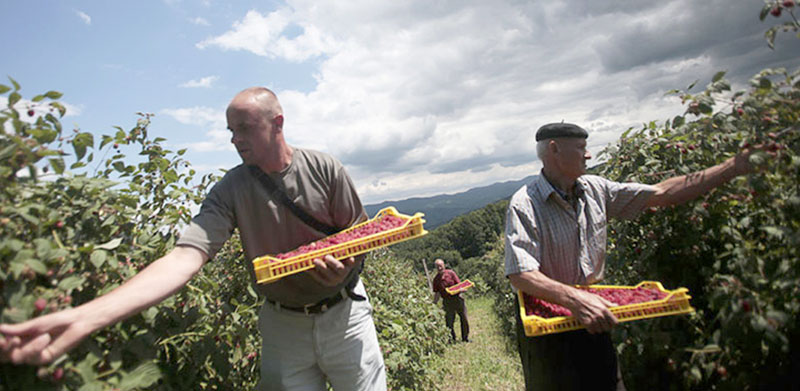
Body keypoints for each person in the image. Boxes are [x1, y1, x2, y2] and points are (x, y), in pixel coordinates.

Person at [0, 87, 386, 391]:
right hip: (282, 324)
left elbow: (360, 236)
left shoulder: (323, 169)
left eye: (244, 128)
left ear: (277, 123)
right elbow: (186, 256)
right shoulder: (229, 190)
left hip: (344, 315)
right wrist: (87, 317)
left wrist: (343, 272)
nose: (235, 140)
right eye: (231, 131)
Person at [504, 122, 761, 390]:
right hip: (548, 327)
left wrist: (734, 166)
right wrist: (574, 298)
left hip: (594, 315)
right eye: (581, 148)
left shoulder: (596, 189)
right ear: (554, 149)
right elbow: (521, 274)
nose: (588, 154)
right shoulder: (525, 204)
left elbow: (662, 193)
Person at [431, 258, 470, 343]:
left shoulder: (451, 273)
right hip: (447, 301)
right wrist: (434, 303)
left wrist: (462, 289)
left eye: (440, 266)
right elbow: (437, 293)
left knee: (464, 318)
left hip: (457, 298)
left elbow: (459, 284)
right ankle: (452, 339)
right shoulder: (436, 280)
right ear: (435, 268)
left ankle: (465, 338)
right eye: (437, 267)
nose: (439, 268)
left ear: (444, 265)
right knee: (449, 322)